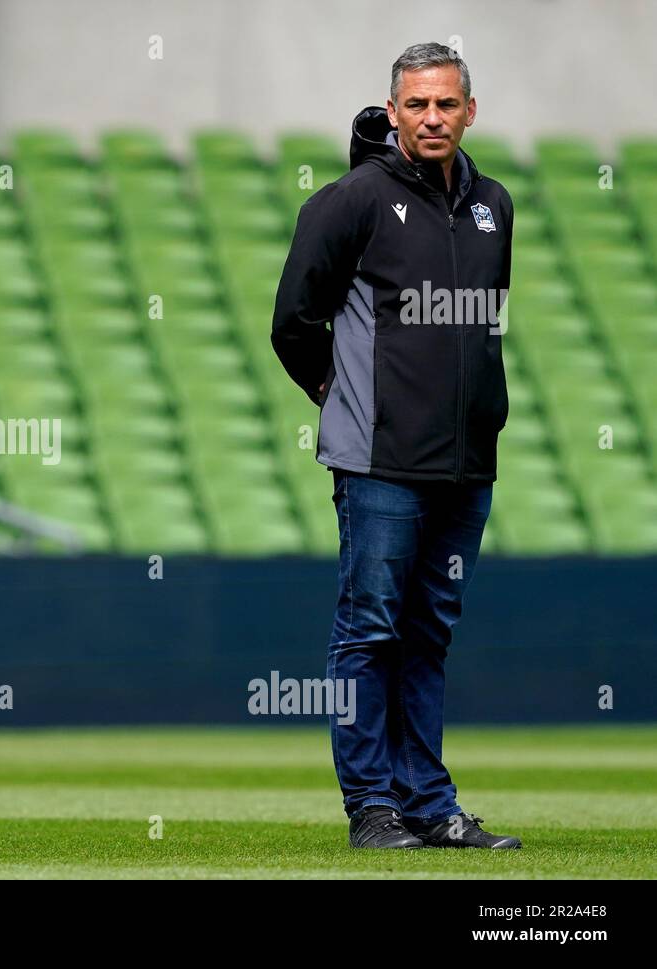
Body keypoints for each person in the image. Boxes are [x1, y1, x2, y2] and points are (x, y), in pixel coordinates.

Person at [271, 43, 521, 848]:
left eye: (447, 104)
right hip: (379, 462)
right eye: (417, 105)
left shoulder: (495, 205)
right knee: (370, 631)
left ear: (470, 111)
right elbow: (293, 324)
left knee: (428, 634)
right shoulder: (350, 202)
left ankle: (430, 805)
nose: (433, 118)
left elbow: (485, 327)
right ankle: (373, 807)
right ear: (393, 111)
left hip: (465, 462)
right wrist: (334, 396)